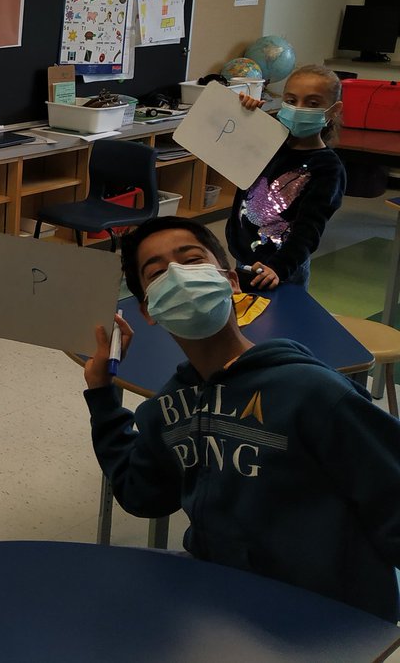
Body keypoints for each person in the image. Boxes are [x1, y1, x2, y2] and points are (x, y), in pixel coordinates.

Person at [81, 216, 400, 621]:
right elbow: (142, 494)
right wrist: (102, 394)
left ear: (231, 281)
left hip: (327, 616)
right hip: (226, 605)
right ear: (148, 310)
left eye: (192, 260)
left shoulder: (313, 392)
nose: (178, 276)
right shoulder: (170, 409)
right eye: (157, 273)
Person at [226, 64, 347, 289]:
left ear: (334, 110)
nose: (298, 109)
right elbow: (226, 145)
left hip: (283, 268)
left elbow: (309, 228)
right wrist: (246, 116)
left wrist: (279, 268)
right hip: (245, 256)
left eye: (312, 103)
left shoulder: (328, 167)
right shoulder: (267, 145)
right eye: (291, 101)